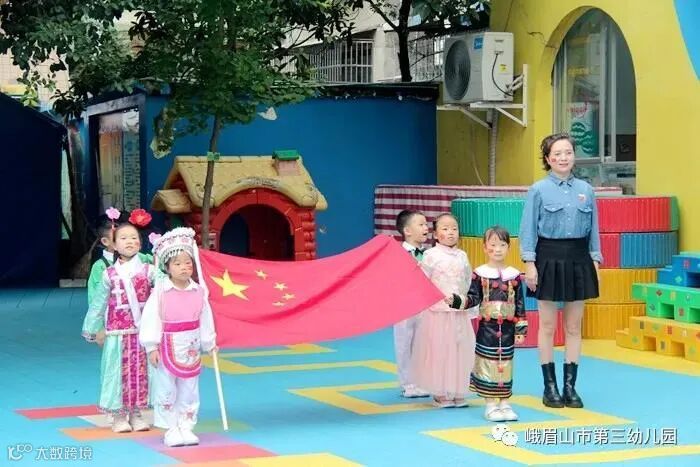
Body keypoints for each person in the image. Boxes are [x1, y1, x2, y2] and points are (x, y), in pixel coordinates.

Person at [519, 133, 602, 409]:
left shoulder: (586, 189)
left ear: (574, 156)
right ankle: (550, 386)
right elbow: (528, 229)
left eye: (567, 152)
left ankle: (570, 387)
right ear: (547, 159)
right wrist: (529, 263)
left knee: (574, 326)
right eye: (557, 154)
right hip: (548, 257)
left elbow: (594, 230)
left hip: (579, 257)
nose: (563, 158)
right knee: (547, 325)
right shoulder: (538, 190)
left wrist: (595, 262)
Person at [139, 227, 217, 447]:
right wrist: (151, 347)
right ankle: (171, 428)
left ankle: (186, 425)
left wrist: (209, 342)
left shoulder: (199, 291)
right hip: (167, 345)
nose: (184, 267)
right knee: (166, 387)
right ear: (167, 267)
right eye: (177, 263)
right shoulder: (161, 292)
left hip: (191, 345)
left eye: (188, 263)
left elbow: (205, 318)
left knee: (190, 389)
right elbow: (152, 319)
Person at [82, 211, 156, 432]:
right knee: (117, 372)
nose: (130, 241)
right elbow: (98, 303)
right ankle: (118, 415)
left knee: (140, 372)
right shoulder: (109, 274)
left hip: (141, 332)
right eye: (123, 238)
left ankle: (136, 413)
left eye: (134, 237)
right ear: (113, 244)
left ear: (140, 242)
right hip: (117, 333)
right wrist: (95, 328)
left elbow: (164, 290)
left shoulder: (149, 270)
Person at [411, 213, 476, 408]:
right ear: (436, 234)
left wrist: (466, 303)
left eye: (454, 228)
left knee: (460, 349)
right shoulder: (430, 255)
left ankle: (458, 390)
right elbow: (422, 282)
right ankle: (440, 392)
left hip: (458, 311)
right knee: (439, 350)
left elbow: (467, 281)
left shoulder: (462, 255)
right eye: (445, 229)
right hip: (437, 312)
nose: (450, 232)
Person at [466, 226, 527, 421]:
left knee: (506, 364)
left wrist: (521, 329)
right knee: (487, 363)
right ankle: (490, 404)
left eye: (502, 245)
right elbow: (473, 298)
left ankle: (505, 403)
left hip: (507, 329)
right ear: (485, 248)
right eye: (493, 245)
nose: (497, 249)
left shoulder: (514, 275)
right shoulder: (479, 274)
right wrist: (457, 301)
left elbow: (520, 303)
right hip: (487, 329)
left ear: (509, 247)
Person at [393, 210, 431, 398]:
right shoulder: (396, 253)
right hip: (404, 306)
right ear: (407, 231)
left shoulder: (430, 254)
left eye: (426, 224)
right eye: (421, 224)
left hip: (425, 305)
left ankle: (422, 381)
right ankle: (407, 383)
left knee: (423, 344)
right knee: (404, 343)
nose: (426, 228)